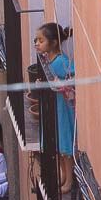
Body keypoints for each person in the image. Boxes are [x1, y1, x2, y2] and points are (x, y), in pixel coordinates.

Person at [31, 22, 76, 190]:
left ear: (54, 43)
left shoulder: (61, 62)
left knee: (65, 143)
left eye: (41, 40)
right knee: (58, 143)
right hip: (55, 108)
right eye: (36, 40)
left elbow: (71, 79)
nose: (37, 43)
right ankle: (64, 176)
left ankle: (69, 181)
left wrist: (58, 84)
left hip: (63, 108)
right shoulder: (47, 61)